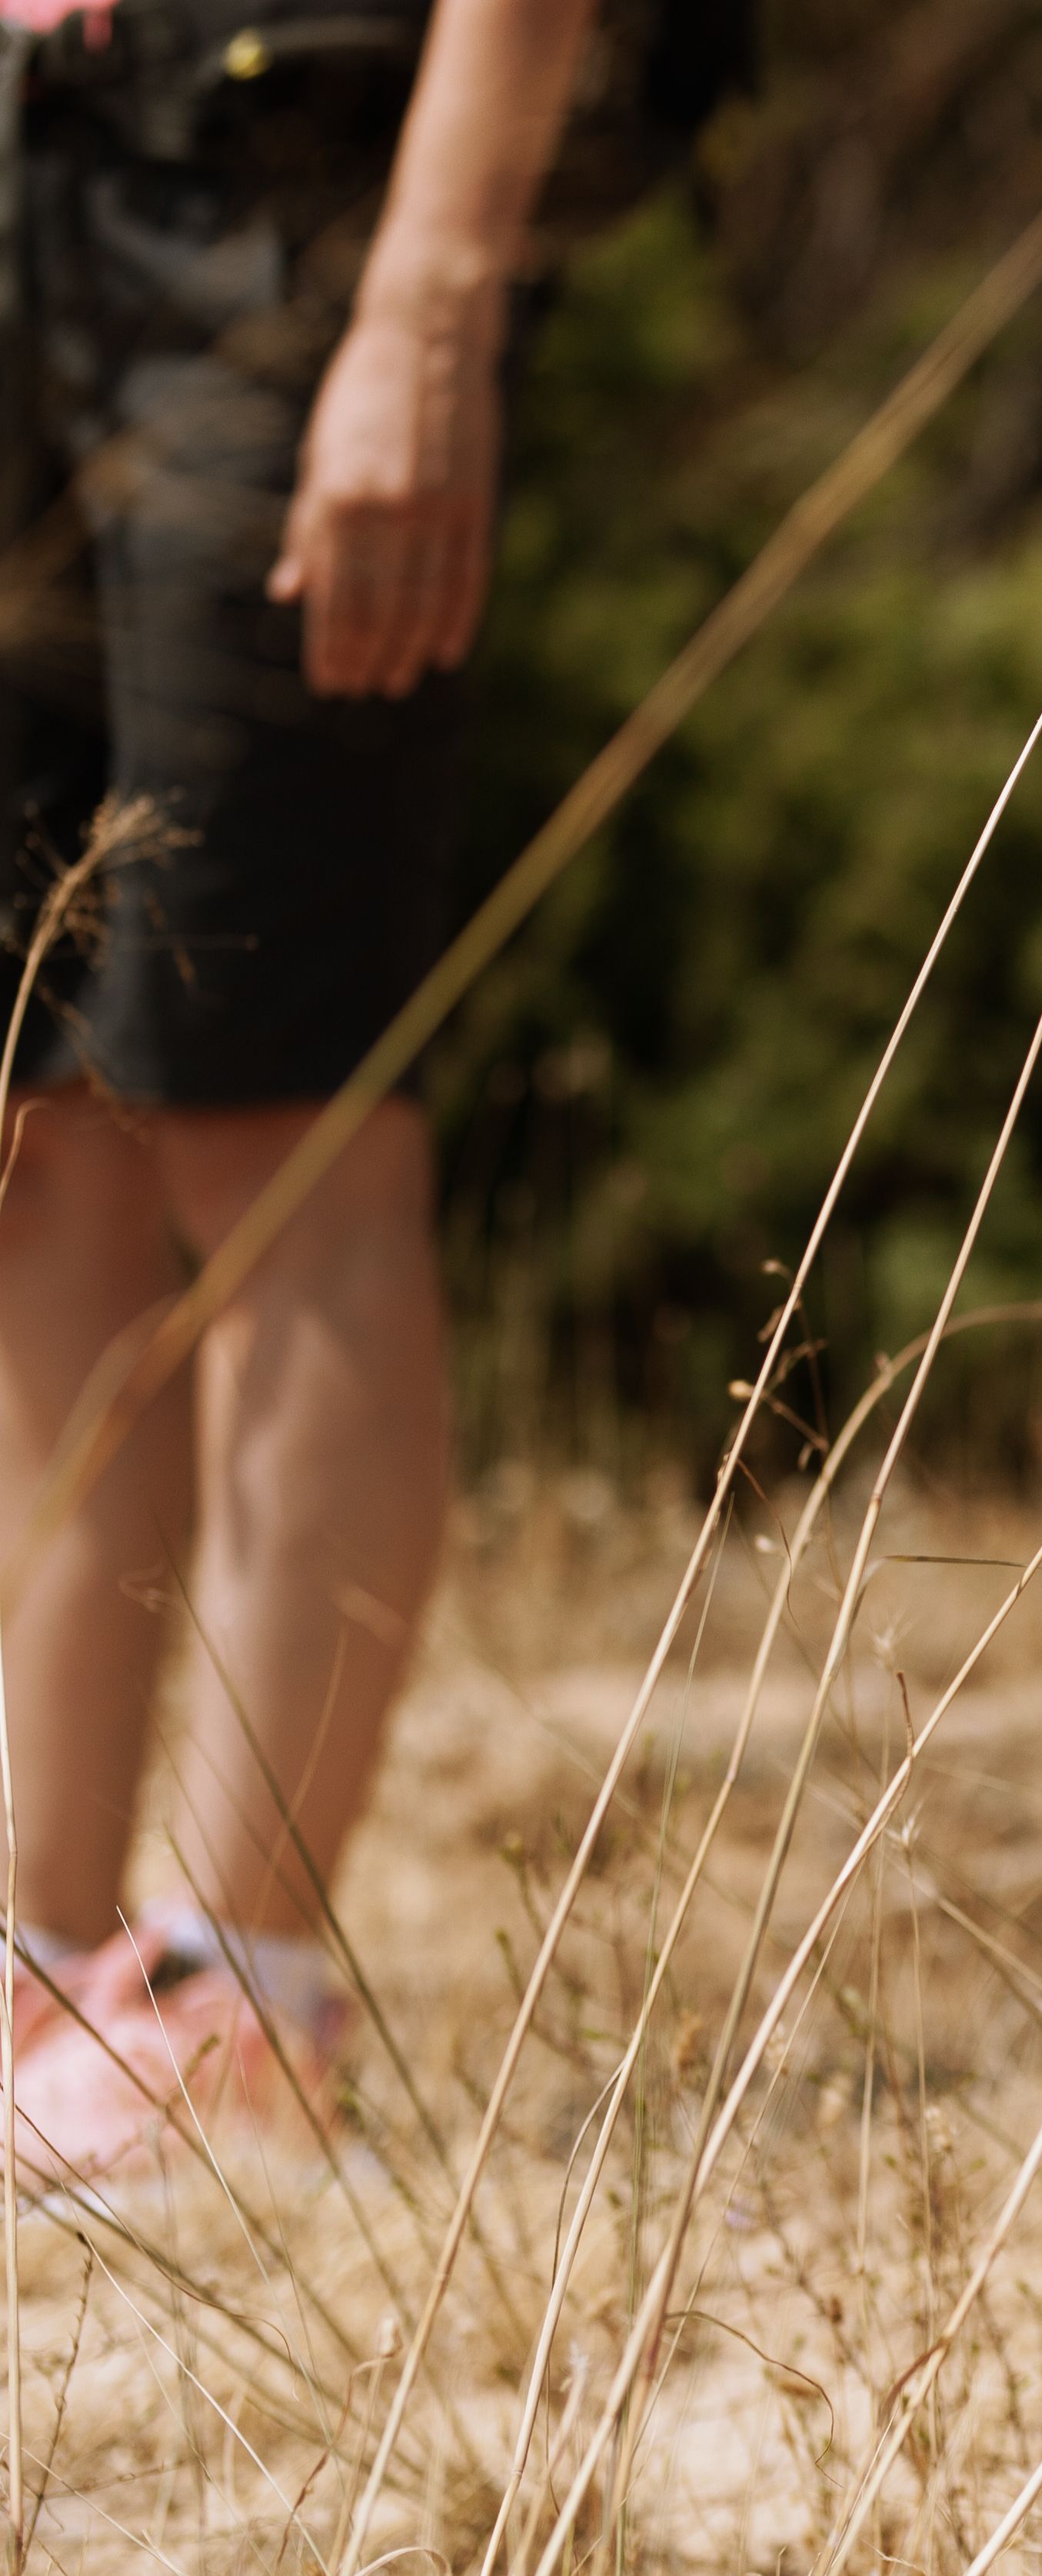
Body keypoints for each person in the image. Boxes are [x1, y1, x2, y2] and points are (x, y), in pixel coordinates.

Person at [0, 0, 598, 2183]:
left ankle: (241, 1990)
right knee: (47, 1118)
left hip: (294, 196)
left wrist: (430, 298)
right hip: (38, 192)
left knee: (273, 1117)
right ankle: (42, 1953)